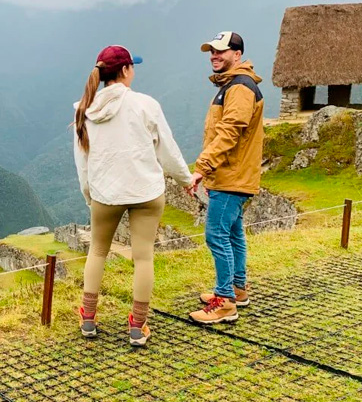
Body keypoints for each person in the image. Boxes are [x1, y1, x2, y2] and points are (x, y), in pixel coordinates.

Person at [74, 45, 194, 346]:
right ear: (125, 70)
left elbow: (83, 163)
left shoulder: (85, 109)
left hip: (106, 193)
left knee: (98, 252)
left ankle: (88, 319)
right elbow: (167, 149)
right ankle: (138, 326)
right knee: (143, 257)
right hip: (146, 191)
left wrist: (90, 195)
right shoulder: (145, 105)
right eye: (133, 67)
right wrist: (185, 179)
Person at [189, 32, 265, 324]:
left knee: (216, 235)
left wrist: (202, 167)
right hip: (232, 174)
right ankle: (237, 288)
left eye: (221, 51)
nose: (214, 56)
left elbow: (230, 131)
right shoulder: (232, 84)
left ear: (238, 53)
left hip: (231, 175)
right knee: (233, 233)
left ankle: (224, 302)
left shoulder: (241, 87)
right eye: (212, 52)